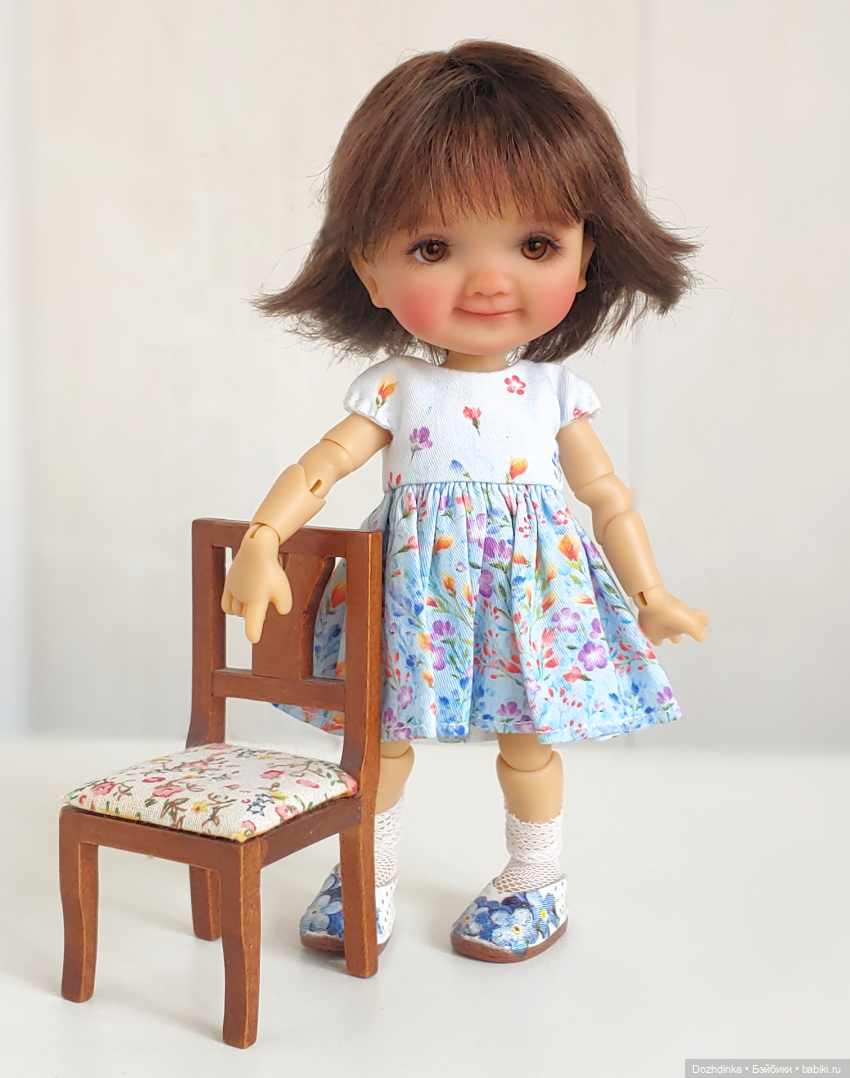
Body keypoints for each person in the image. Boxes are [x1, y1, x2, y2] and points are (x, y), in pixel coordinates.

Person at [221, 40, 709, 962]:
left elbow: (605, 494)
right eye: (433, 248)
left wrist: (649, 592)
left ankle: (535, 877)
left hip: (533, 590)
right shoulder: (397, 386)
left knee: (526, 742)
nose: (489, 281)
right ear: (370, 269)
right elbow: (320, 466)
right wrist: (261, 540)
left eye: (536, 245)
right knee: (379, 742)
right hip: (409, 591)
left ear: (586, 254)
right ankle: (365, 871)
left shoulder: (554, 393)